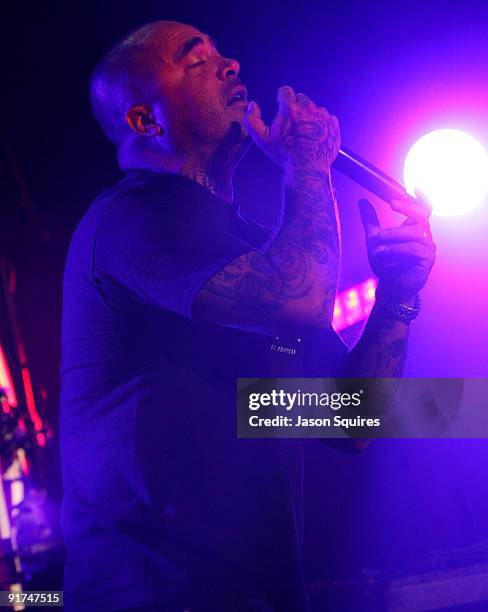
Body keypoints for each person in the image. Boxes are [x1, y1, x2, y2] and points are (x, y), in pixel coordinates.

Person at [60, 20, 436, 612]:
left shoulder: (244, 248)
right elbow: (306, 297)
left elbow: (351, 422)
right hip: (152, 593)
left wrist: (397, 299)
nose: (230, 64)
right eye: (195, 61)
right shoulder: (134, 219)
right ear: (145, 120)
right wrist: (309, 163)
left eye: (221, 52)